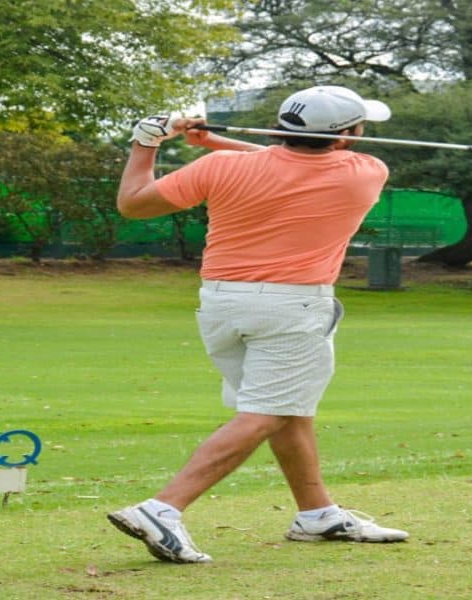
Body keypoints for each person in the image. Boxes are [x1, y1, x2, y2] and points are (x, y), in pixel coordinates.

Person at [107, 86, 409, 564]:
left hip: (221, 303)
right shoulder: (366, 172)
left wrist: (146, 142)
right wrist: (218, 145)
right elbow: (297, 167)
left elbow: (133, 202)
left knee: (287, 407)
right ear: (347, 136)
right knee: (267, 413)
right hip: (292, 308)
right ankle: (162, 509)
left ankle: (317, 513)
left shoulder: (220, 168)